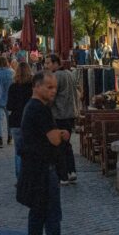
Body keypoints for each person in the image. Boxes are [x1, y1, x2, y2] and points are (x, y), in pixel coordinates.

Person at [17, 71, 70, 235]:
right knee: (51, 216)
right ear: (37, 87)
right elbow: (54, 139)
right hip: (44, 171)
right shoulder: (40, 109)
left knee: (38, 214)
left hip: (36, 168)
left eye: (55, 87)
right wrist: (61, 134)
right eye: (49, 87)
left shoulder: (32, 106)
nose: (53, 91)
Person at [46, 54, 78, 185]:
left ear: (55, 63)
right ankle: (72, 171)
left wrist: (46, 106)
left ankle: (63, 175)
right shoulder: (70, 74)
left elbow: (52, 95)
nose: (46, 66)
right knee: (67, 144)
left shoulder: (56, 76)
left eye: (48, 63)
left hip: (59, 114)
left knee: (59, 145)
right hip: (70, 114)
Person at [8, 62, 33, 179]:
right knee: (30, 150)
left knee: (18, 151)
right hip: (30, 121)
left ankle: (20, 178)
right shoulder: (32, 87)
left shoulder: (13, 87)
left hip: (16, 121)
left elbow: (9, 106)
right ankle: (29, 176)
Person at [0, 56, 15, 148]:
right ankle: (10, 136)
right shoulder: (12, 72)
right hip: (10, 99)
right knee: (9, 119)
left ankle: (0, 137)